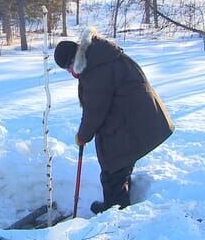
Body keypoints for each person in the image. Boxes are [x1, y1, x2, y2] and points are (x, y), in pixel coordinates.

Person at [54, 28, 174, 214]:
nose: (70, 73)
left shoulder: (96, 69)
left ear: (73, 60)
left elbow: (95, 109)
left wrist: (83, 136)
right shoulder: (97, 55)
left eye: (68, 68)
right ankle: (118, 202)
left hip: (133, 118)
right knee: (118, 162)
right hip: (133, 114)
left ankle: (116, 213)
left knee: (113, 168)